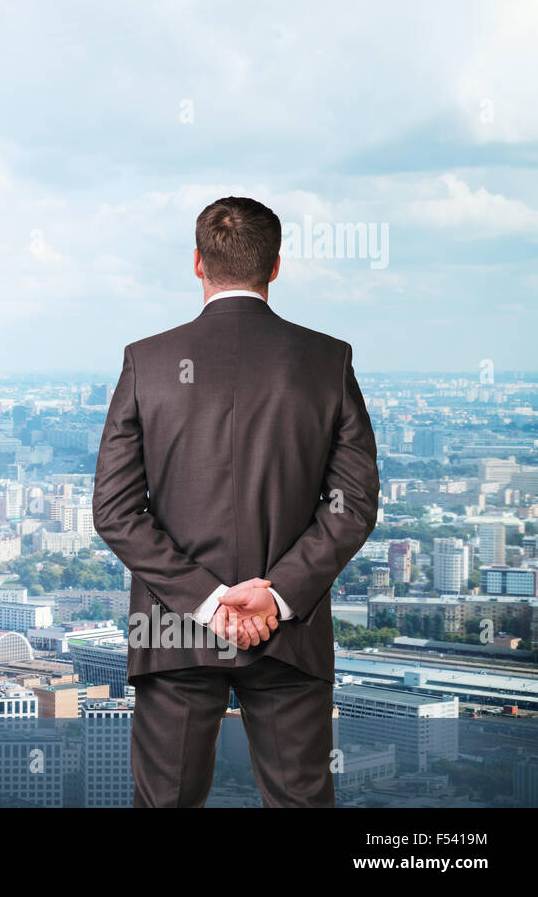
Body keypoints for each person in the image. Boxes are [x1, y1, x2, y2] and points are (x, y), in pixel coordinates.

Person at [92, 195, 379, 807]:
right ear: (276, 267)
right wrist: (274, 595)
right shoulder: (327, 361)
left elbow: (116, 510)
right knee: (299, 800)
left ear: (197, 263)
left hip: (172, 630)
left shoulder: (148, 362)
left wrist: (208, 599)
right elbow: (352, 504)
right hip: (288, 631)